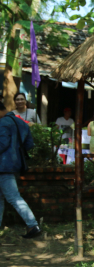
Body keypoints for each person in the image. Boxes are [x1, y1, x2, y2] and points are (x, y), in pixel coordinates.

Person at [0, 101, 41, 239]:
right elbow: (29, 144)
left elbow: (2, 144)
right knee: (4, 197)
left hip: (4, 166)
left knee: (13, 197)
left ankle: (33, 225)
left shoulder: (2, 123)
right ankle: (32, 225)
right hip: (16, 165)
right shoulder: (21, 122)